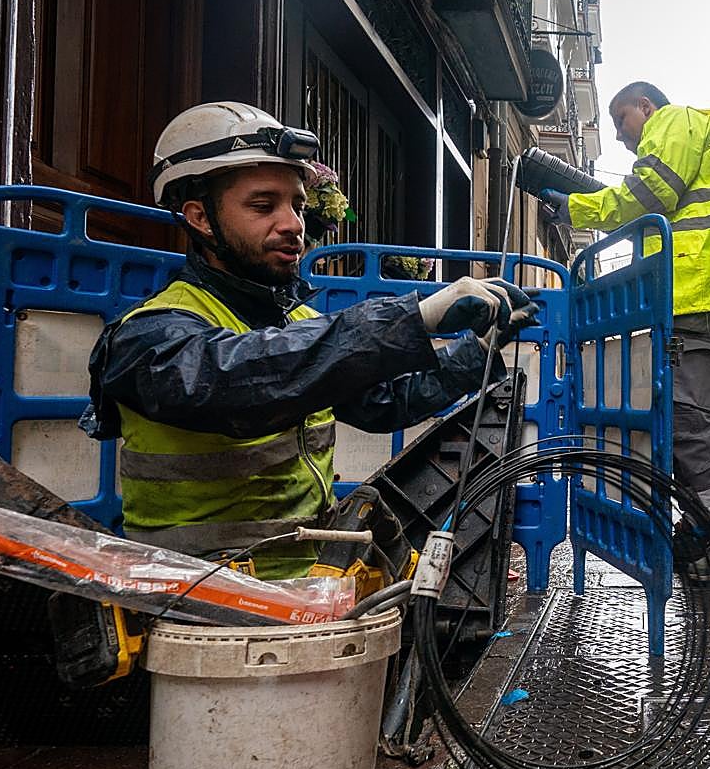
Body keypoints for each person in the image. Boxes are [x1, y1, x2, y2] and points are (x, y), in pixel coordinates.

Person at [79, 101, 537, 578]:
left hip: (310, 589)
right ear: (199, 217)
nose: (293, 224)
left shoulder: (297, 319)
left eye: (297, 204)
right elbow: (239, 378)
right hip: (195, 598)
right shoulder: (149, 333)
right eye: (263, 206)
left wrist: (477, 352)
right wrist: (411, 318)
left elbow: (381, 403)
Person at [540, 81, 710, 578]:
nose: (621, 136)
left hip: (705, 290)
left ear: (646, 107)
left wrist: (578, 208)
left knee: (683, 408)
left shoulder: (674, 121)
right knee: (673, 410)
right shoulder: (697, 136)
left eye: (621, 119)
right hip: (705, 292)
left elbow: (648, 193)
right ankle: (700, 528)